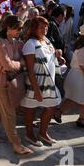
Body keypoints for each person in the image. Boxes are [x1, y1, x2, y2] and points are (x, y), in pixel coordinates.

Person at [0, 16, 33, 155]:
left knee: (1, 108)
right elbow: (8, 65)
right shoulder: (0, 42)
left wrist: (18, 63)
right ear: (8, 28)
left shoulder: (15, 42)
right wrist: (21, 64)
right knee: (9, 113)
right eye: (18, 28)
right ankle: (17, 144)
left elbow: (21, 58)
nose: (20, 30)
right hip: (0, 82)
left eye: (21, 28)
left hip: (9, 81)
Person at [21, 17, 63, 147]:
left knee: (51, 106)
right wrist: (36, 89)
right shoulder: (30, 44)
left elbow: (50, 58)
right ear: (34, 29)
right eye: (41, 27)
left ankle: (43, 133)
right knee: (30, 109)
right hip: (35, 83)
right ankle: (29, 134)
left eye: (46, 27)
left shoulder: (46, 41)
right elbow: (29, 70)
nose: (44, 30)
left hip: (48, 82)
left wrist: (58, 57)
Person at [56, 23, 84, 130]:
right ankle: (58, 112)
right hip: (81, 78)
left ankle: (82, 119)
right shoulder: (83, 50)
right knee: (75, 99)